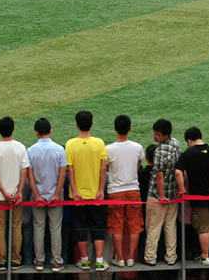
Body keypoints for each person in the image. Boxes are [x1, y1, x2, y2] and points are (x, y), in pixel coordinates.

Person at [174, 127, 209, 265]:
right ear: (201, 136)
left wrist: (182, 189)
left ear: (189, 140)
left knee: (203, 228)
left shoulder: (188, 154)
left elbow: (178, 173)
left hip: (198, 199)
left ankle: (205, 256)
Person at [65, 111, 108, 272]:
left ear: (76, 124)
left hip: (78, 196)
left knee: (80, 227)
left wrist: (75, 191)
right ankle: (99, 260)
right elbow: (103, 168)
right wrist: (101, 190)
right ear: (92, 124)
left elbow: (71, 169)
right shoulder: (99, 143)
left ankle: (84, 260)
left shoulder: (70, 144)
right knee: (98, 227)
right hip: (96, 195)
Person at [0, 117, 29, 272]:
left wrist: (4, 192)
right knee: (16, 227)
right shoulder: (20, 147)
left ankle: (1, 260)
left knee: (0, 228)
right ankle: (16, 259)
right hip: (15, 195)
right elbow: (24, 170)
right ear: (14, 129)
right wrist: (18, 191)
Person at [26, 118, 66, 273]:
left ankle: (39, 261)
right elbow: (62, 174)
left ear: (36, 132)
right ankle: (56, 261)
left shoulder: (30, 150)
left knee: (38, 227)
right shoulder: (59, 149)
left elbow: (30, 175)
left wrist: (36, 195)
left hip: (38, 196)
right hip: (55, 195)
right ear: (51, 130)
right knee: (55, 228)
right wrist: (56, 194)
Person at [105, 115, 144, 268]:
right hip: (133, 190)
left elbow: (107, 168)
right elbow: (138, 166)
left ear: (115, 129)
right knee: (135, 224)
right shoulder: (137, 147)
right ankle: (130, 258)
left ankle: (120, 258)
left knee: (116, 225)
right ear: (130, 128)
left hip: (115, 191)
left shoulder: (109, 149)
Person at [144, 118, 180, 266]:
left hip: (158, 196)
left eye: (157, 134)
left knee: (153, 227)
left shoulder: (159, 151)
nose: (155, 137)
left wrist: (162, 196)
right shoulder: (176, 144)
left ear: (165, 135)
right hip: (173, 193)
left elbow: (159, 175)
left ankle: (150, 257)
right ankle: (171, 257)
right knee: (170, 227)